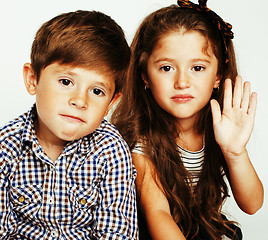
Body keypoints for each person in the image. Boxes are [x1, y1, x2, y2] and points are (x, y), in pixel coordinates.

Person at [111, 0, 264, 239]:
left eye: (198, 68)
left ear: (217, 77)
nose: (182, 82)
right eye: (166, 68)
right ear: (145, 76)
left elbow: (253, 204)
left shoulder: (218, 130)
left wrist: (235, 152)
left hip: (196, 226)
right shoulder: (140, 144)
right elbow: (158, 214)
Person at [0, 10, 138, 239]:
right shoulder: (6, 147)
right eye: (66, 81)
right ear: (33, 79)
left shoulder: (110, 150)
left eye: (97, 91)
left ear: (111, 102)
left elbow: (117, 233)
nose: (80, 100)